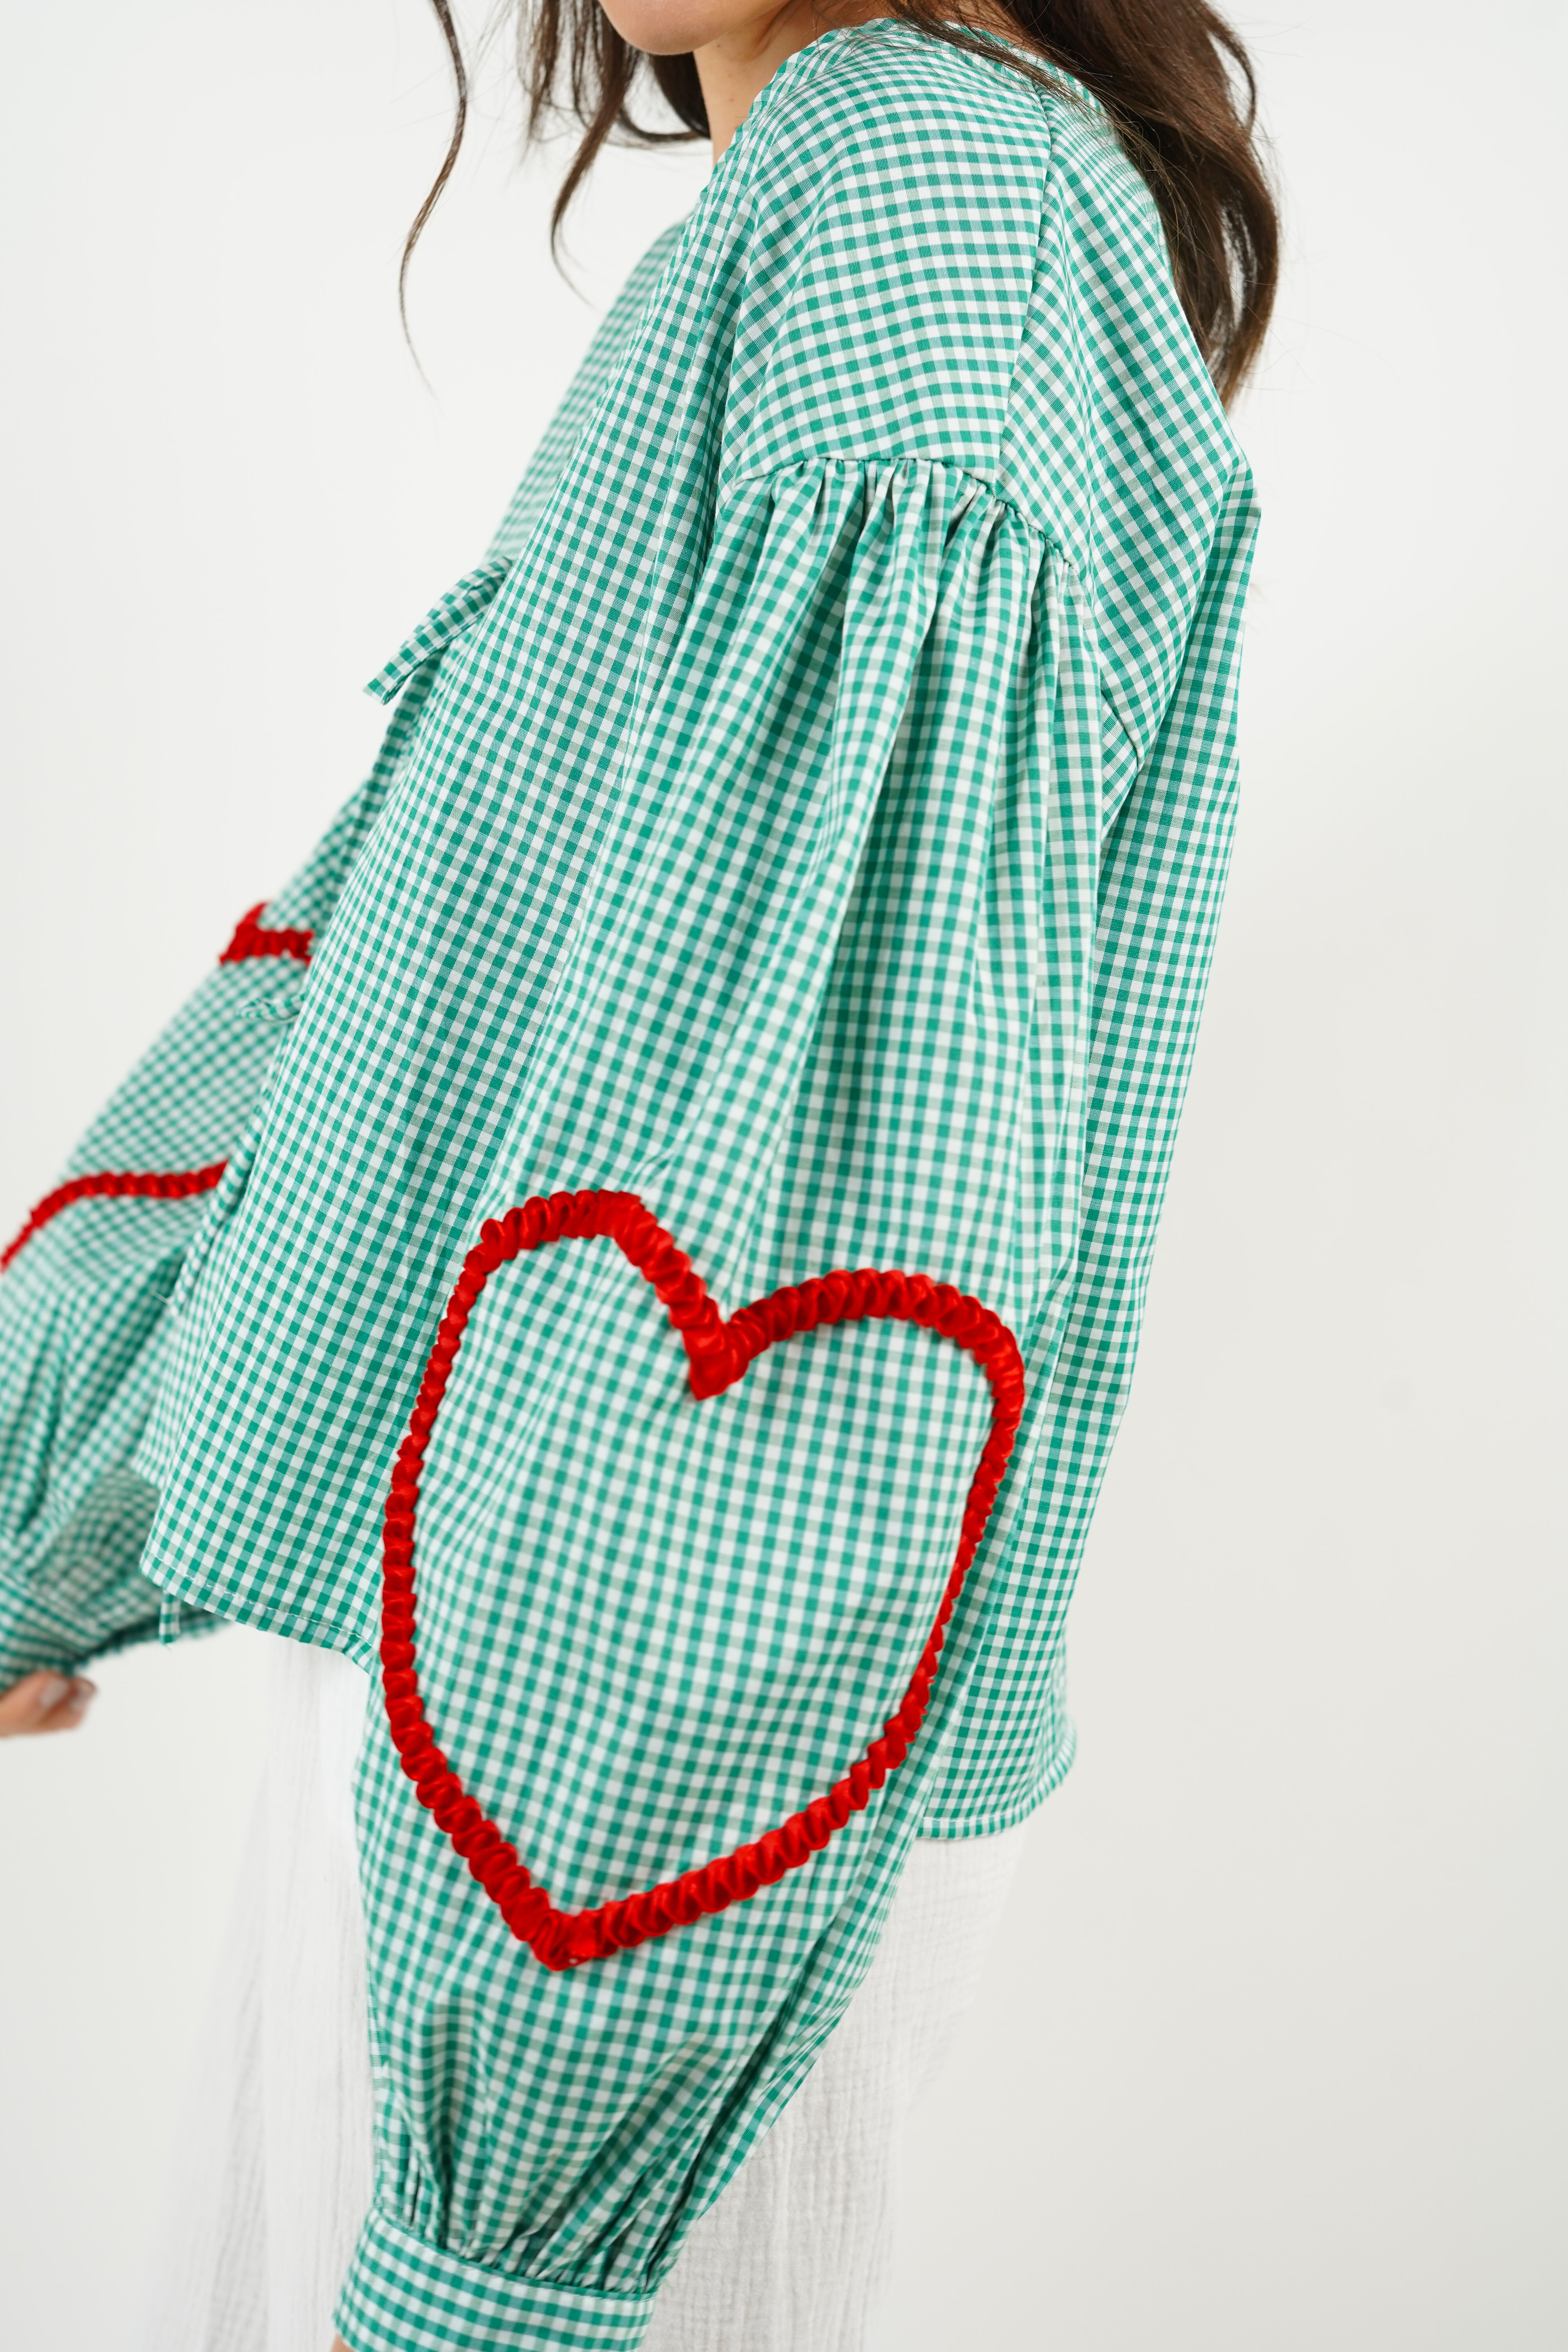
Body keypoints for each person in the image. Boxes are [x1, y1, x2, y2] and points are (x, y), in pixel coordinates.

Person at [0, 2, 1277, 2345]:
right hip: (528, 1737)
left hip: (605, 1840)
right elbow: (426, 966)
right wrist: (31, 1511)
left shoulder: (932, 193)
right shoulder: (860, 197)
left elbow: (805, 1218)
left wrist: (509, 2222)